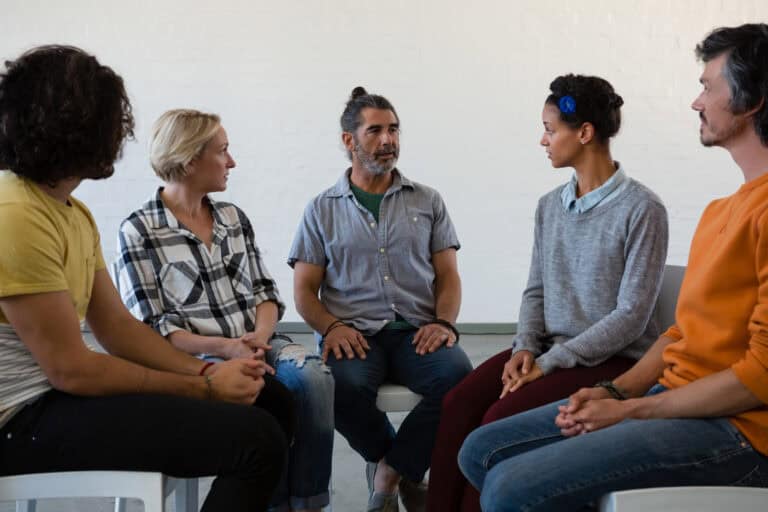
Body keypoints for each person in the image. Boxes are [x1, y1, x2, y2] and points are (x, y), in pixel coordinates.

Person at [458, 23, 768, 512]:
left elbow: (760, 376)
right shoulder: (719, 212)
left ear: (751, 101)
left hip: (741, 431)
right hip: (671, 395)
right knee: (480, 450)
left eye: (708, 86)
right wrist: (611, 390)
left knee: (506, 488)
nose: (696, 102)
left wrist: (633, 407)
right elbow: (678, 335)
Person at [0, 46, 293, 512]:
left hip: (54, 396)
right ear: (78, 123)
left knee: (274, 400)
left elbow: (117, 329)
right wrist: (206, 386)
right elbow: (71, 369)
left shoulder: (74, 214)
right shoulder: (15, 213)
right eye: (111, 118)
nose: (121, 132)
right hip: (20, 418)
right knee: (256, 441)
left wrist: (206, 370)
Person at [427, 75, 668, 512]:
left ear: (585, 133)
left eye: (550, 129)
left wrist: (548, 363)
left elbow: (631, 315)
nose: (542, 140)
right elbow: (536, 289)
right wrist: (524, 347)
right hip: (548, 353)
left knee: (498, 420)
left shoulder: (643, 210)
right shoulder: (548, 206)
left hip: (613, 359)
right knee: (459, 401)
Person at [115, 109, 334, 512]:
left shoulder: (233, 218)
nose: (231, 162)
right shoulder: (139, 231)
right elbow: (154, 329)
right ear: (190, 159)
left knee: (314, 381)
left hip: (258, 342)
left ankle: (306, 503)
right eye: (223, 151)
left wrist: (258, 339)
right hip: (197, 357)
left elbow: (266, 292)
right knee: (271, 399)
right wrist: (226, 348)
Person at [289, 87, 473, 512]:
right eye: (375, 131)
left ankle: (390, 471)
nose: (388, 140)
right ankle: (402, 465)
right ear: (348, 140)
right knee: (336, 388)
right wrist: (331, 328)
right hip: (352, 333)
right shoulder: (322, 209)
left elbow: (448, 276)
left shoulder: (427, 200)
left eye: (393, 130)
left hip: (418, 331)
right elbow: (303, 291)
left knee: (459, 379)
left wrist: (444, 323)